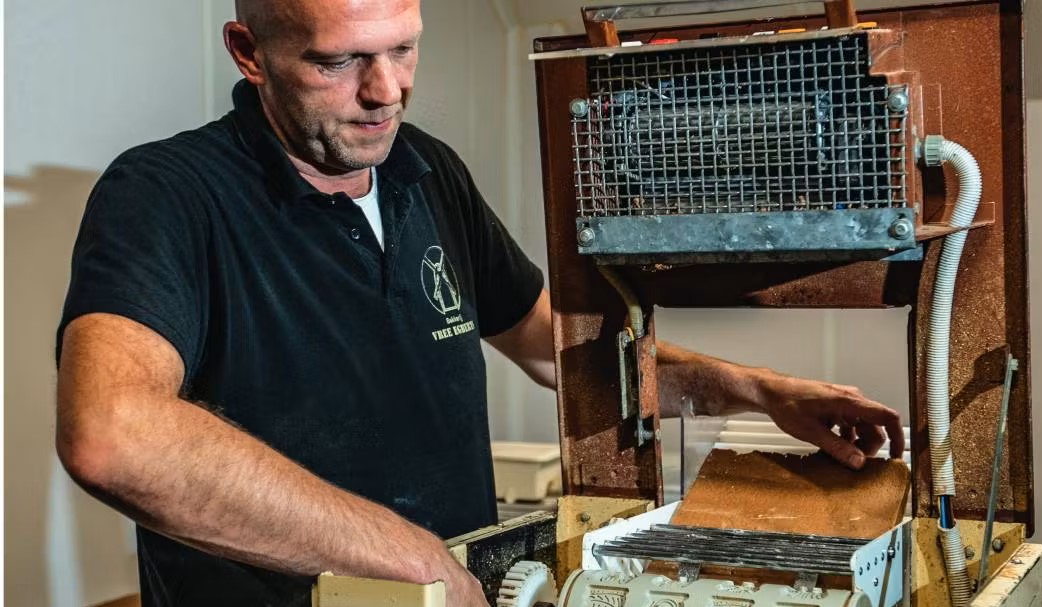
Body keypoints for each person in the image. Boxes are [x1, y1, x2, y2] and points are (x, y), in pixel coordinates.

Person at [54, 1, 905, 606]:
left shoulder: (426, 171)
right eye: (339, 60)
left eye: (403, 49)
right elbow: (113, 432)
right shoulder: (168, 193)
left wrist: (760, 391)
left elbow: (553, 349)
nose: (386, 91)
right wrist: (405, 554)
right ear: (249, 51)